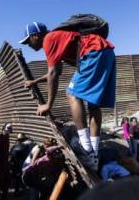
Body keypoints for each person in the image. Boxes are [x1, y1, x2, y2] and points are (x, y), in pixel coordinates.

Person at [19, 20, 116, 171]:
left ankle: (86, 148)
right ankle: (94, 155)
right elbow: (55, 71)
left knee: (71, 94)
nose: (28, 45)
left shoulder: (49, 40)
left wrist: (48, 105)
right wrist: (36, 81)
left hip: (92, 52)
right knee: (93, 105)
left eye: (27, 41)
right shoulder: (58, 39)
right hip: (105, 51)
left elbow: (53, 74)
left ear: (35, 36)